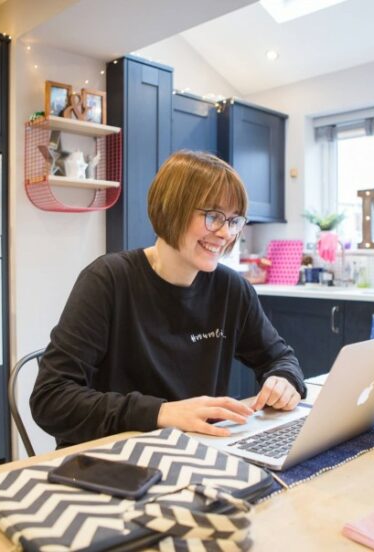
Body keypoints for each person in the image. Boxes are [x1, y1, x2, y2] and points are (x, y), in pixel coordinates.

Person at [31, 150, 306, 448]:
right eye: (213, 216)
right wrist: (160, 413)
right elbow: (51, 398)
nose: (225, 233)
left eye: (234, 220)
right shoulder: (108, 280)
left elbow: (280, 358)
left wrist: (285, 379)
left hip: (199, 452)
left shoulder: (231, 290)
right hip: (113, 459)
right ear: (171, 208)